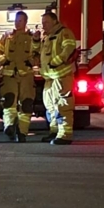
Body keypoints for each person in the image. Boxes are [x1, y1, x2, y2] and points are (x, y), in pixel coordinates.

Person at [0, 11, 39, 142]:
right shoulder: (7, 36)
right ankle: (9, 126)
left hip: (26, 75)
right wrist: (3, 60)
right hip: (9, 74)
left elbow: (38, 53)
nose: (17, 23)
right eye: (16, 20)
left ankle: (22, 132)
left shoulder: (32, 38)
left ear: (25, 22)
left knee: (26, 104)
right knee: (9, 101)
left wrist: (32, 61)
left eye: (20, 20)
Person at [39, 9, 77, 145]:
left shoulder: (64, 33)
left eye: (46, 22)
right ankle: (54, 131)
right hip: (50, 77)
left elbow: (69, 48)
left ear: (55, 21)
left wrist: (57, 61)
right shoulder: (47, 36)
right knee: (50, 106)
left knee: (63, 106)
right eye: (42, 23)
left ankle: (65, 135)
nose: (44, 25)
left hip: (61, 76)